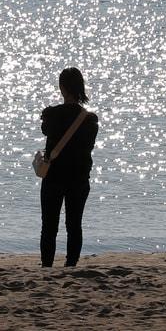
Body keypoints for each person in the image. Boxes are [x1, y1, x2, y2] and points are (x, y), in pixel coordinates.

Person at [38, 67, 100, 268]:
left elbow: (45, 129)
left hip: (54, 176)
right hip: (79, 178)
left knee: (49, 226)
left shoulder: (52, 115)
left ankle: (47, 266)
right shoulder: (90, 120)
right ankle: (71, 265)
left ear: (62, 88)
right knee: (74, 225)